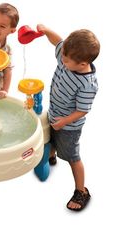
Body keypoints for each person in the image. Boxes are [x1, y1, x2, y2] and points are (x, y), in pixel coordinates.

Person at [37, 24, 100, 211]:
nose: (61, 59)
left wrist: (64, 122)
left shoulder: (88, 84)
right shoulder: (68, 56)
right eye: (62, 54)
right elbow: (58, 41)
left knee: (73, 157)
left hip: (69, 126)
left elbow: (83, 110)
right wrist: (46, 30)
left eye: (65, 59)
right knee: (50, 138)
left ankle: (81, 191)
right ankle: (51, 155)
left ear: (82, 64)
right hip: (55, 115)